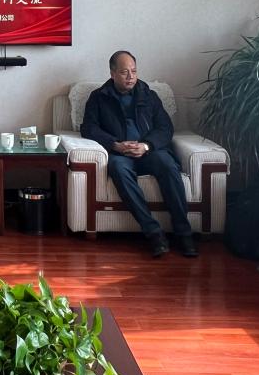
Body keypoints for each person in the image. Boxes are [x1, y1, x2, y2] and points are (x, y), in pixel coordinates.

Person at [80, 51, 198, 258]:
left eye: (134, 71)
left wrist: (146, 145)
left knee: (168, 165)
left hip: (149, 151)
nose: (130, 77)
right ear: (112, 73)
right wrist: (115, 145)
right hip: (120, 154)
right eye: (124, 72)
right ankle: (154, 233)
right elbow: (89, 128)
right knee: (118, 169)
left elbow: (165, 128)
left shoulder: (149, 95)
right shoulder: (99, 97)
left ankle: (184, 233)